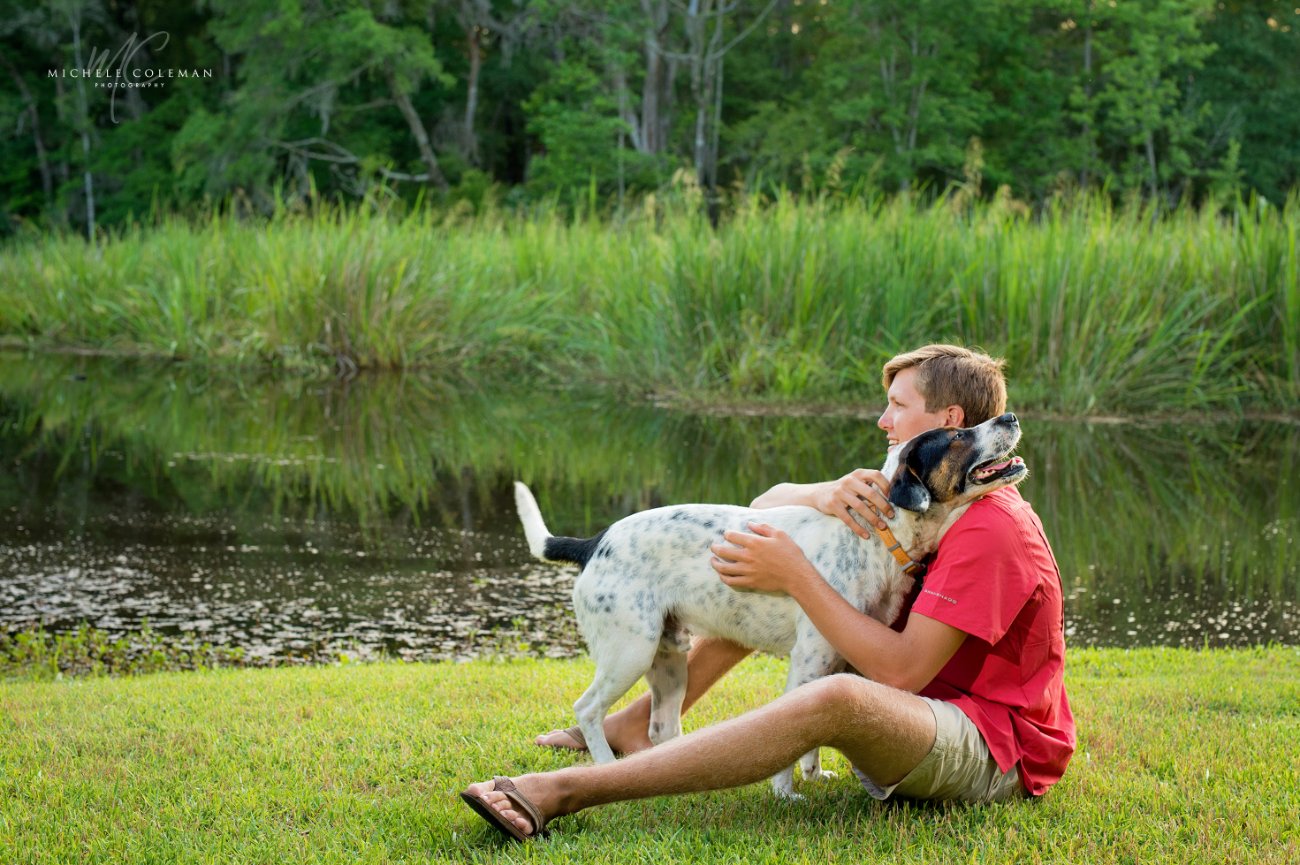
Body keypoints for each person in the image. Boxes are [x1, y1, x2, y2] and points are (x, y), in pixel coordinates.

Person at [462, 344, 1075, 841]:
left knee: (831, 684)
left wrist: (798, 578)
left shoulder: (990, 530)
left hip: (992, 750)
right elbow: (762, 514)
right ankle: (635, 722)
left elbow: (900, 672)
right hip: (926, 721)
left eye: (896, 406)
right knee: (761, 587)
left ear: (949, 425)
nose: (883, 421)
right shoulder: (928, 499)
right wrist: (816, 496)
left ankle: (567, 790)